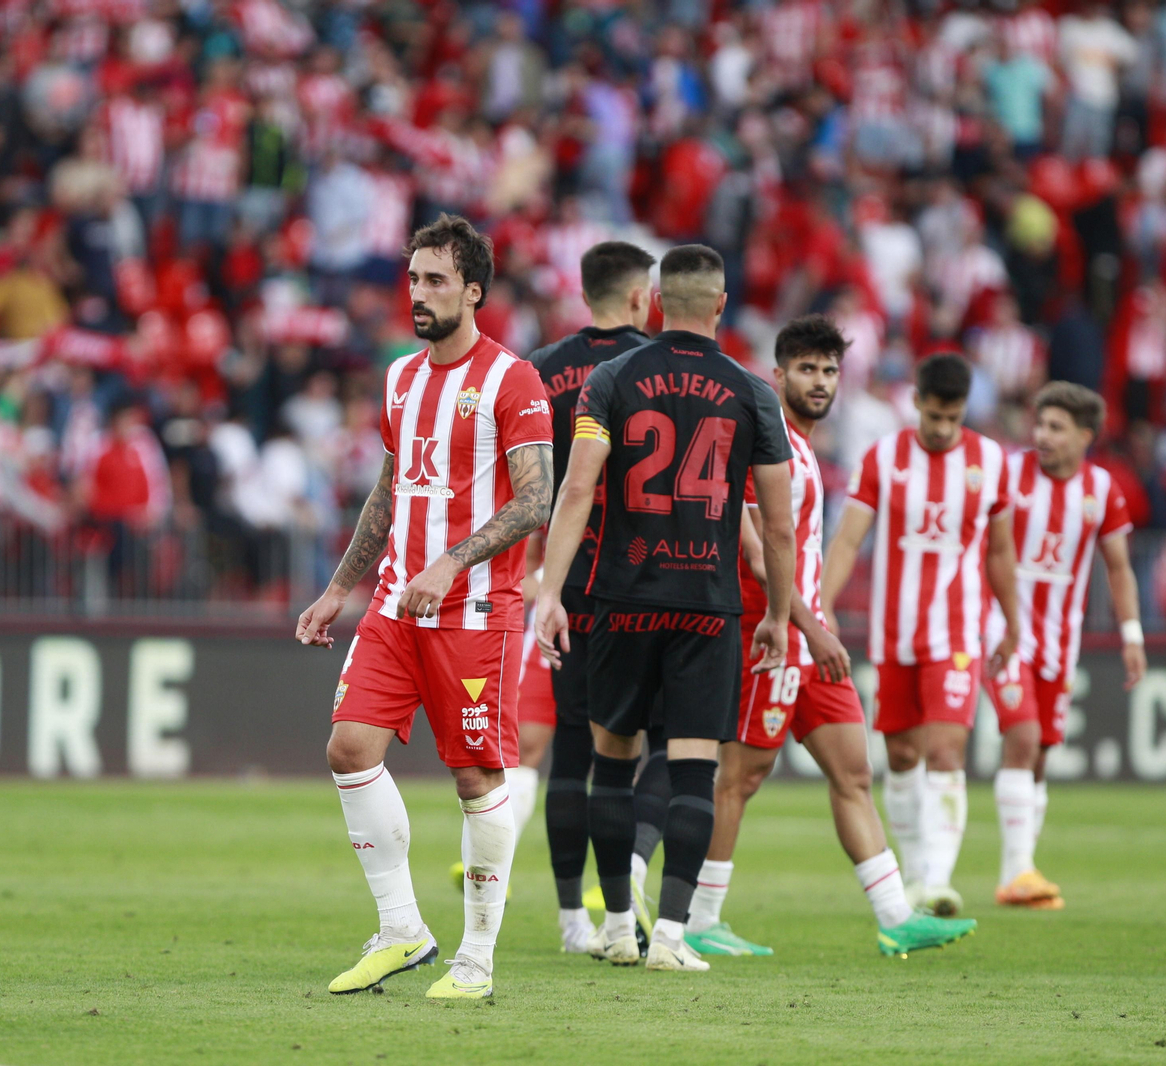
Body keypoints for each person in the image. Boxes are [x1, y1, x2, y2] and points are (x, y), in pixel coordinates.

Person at [296, 215, 553, 1000]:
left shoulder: (513, 380)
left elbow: (537, 498)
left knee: (476, 778)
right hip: (394, 607)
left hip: (475, 613)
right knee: (349, 748)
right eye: (413, 278)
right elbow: (390, 486)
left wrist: (453, 559)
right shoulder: (400, 378)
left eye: (437, 280)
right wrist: (342, 585)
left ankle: (476, 958)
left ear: (474, 290)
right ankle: (403, 929)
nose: (420, 293)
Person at [681, 315, 977, 959]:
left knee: (853, 771)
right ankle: (700, 918)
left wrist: (818, 620)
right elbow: (758, 553)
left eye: (829, 370)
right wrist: (809, 627)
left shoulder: (804, 444)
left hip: (808, 635)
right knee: (741, 776)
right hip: (773, 634)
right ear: (779, 374)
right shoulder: (768, 442)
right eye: (807, 369)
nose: (820, 382)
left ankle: (896, 915)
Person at [535, 244, 795, 972]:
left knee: (610, 766)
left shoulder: (613, 380)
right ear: (719, 304)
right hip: (707, 606)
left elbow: (577, 491)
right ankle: (672, 938)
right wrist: (777, 613)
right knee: (691, 771)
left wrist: (551, 591)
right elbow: (776, 525)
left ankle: (618, 926)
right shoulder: (752, 393)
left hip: (620, 599)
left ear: (657, 302)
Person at [820, 354, 1021, 918]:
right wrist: (826, 603)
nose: (941, 428)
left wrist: (1014, 621)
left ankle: (937, 879)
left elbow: (1001, 552)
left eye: (952, 418)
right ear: (917, 403)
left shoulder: (990, 462)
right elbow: (848, 540)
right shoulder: (883, 458)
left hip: (958, 630)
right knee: (903, 755)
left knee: (945, 750)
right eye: (934, 415)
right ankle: (914, 874)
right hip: (894, 634)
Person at [503, 240, 658, 954]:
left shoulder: (541, 369)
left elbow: (524, 487)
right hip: (644, 582)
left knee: (570, 748)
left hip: (563, 581)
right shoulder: (659, 368)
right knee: (642, 750)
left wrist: (536, 573)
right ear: (637, 296)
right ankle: (627, 909)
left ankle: (573, 923)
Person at [985, 382, 1144, 910]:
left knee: (1042, 754)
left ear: (1085, 436)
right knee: (1024, 737)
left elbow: (1118, 569)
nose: (1042, 436)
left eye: (1056, 427)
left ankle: (1023, 870)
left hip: (1059, 641)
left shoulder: (1102, 489)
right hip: (1002, 631)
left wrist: (1131, 635)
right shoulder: (1007, 472)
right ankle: (1017, 872)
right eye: (1040, 424)